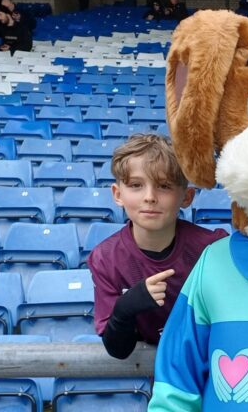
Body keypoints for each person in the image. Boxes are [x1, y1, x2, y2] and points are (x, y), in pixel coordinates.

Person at [91, 134, 228, 359]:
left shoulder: (213, 249)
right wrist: (124, 309)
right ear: (117, 194)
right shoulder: (105, 259)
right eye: (136, 185)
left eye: (164, 186)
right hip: (161, 379)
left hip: (214, 367)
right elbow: (118, 350)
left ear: (187, 196)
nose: (150, 197)